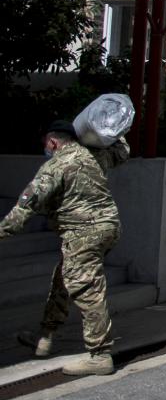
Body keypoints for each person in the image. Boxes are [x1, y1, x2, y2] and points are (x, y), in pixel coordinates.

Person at [2, 120, 128, 376]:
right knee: (63, 278)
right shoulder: (96, 155)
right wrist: (113, 129)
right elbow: (122, 150)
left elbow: (26, 206)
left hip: (83, 234)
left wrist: (3, 230)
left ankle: (100, 355)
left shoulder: (55, 165)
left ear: (52, 142)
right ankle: (45, 336)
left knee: (87, 288)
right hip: (108, 229)